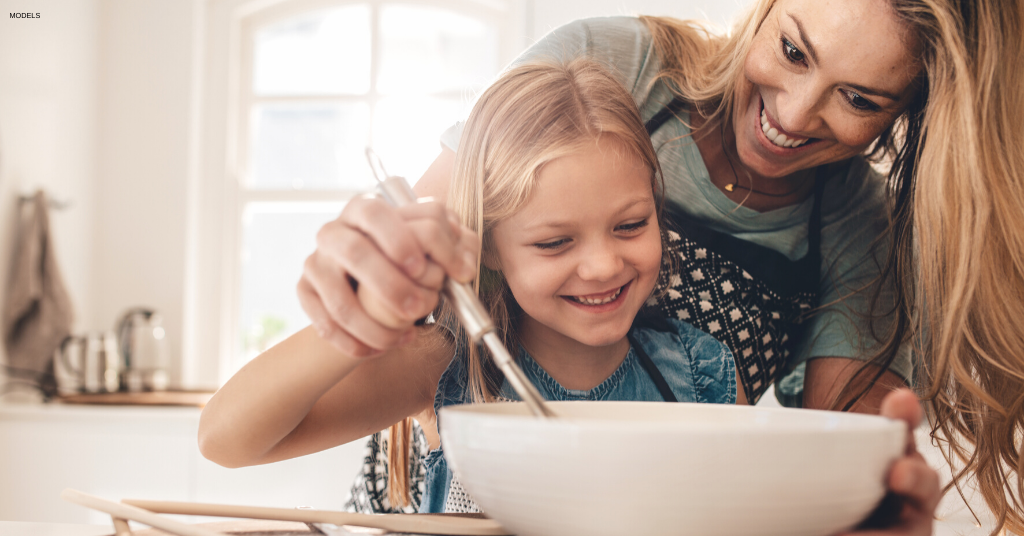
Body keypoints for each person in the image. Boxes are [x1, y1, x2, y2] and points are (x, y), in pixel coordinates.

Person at [297, 0, 1024, 532]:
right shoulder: (614, 66)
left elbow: (818, 474)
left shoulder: (863, 232)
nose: (796, 116)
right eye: (794, 51)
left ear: (910, 114)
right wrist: (369, 281)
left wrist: (866, 502)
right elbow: (426, 264)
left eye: (860, 98)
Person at [199, 58, 738, 514]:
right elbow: (225, 439)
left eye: (630, 226)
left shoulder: (702, 371)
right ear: (490, 250)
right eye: (554, 243)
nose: (601, 266)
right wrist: (366, 318)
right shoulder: (446, 366)